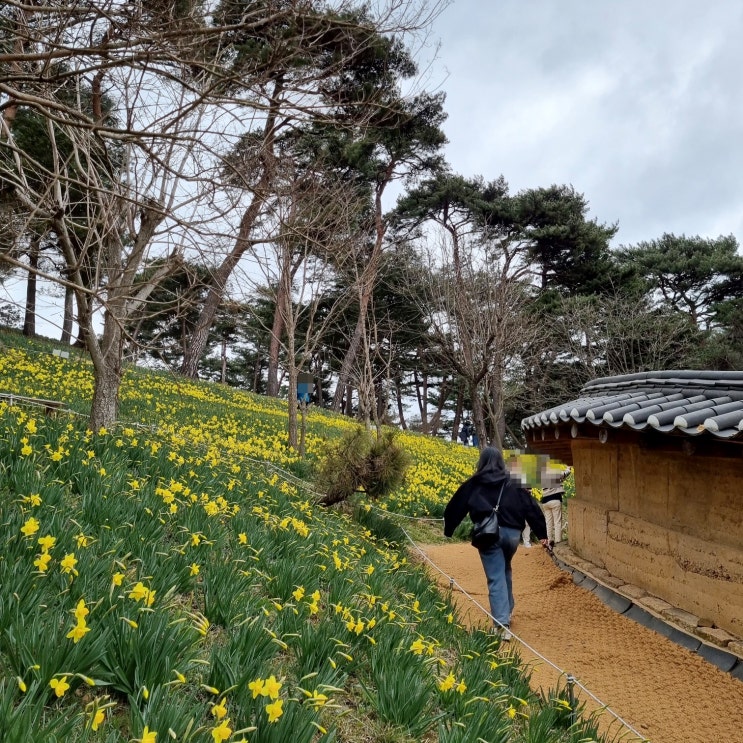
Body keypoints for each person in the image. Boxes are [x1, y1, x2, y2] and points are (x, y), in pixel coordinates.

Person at [443, 447, 548, 639]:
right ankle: (507, 609)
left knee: (495, 576)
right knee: (504, 568)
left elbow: (455, 506)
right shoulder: (513, 482)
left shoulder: (475, 482)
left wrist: (449, 529)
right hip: (513, 536)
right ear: (501, 461)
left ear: (481, 462)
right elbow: (531, 506)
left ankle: (501, 625)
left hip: (488, 535)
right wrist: (542, 533)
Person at [541, 468, 569, 549]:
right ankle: (558, 543)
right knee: (557, 522)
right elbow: (564, 474)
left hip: (545, 501)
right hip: (555, 499)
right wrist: (568, 469)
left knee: (548, 522)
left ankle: (549, 542)